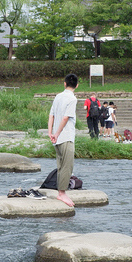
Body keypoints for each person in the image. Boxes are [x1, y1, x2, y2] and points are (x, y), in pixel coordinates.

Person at [48, 73, 78, 208]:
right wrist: (58, 133)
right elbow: (65, 118)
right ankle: (62, 193)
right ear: (76, 85)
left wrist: (51, 133)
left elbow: (51, 115)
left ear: (64, 84)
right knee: (67, 165)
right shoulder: (72, 99)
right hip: (66, 136)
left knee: (60, 165)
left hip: (57, 137)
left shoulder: (58, 96)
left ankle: (60, 192)